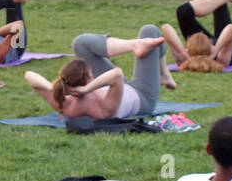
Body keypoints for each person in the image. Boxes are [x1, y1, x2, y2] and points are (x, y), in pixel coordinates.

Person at [24, 28, 170, 122]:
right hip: (143, 95)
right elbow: (117, 74)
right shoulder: (103, 107)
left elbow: (29, 75)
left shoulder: (64, 103)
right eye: (91, 73)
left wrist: (53, 88)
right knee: (150, 30)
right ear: (89, 80)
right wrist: (87, 90)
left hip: (117, 88)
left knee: (81, 44)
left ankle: (135, 45)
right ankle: (163, 73)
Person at [161, 0, 232, 71]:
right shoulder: (220, 60)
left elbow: (166, 27)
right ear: (210, 45)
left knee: (184, 11)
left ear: (189, 50)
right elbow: (230, 29)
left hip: (203, 49)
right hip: (222, 44)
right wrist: (215, 51)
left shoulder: (184, 59)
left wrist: (183, 52)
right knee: (219, 3)